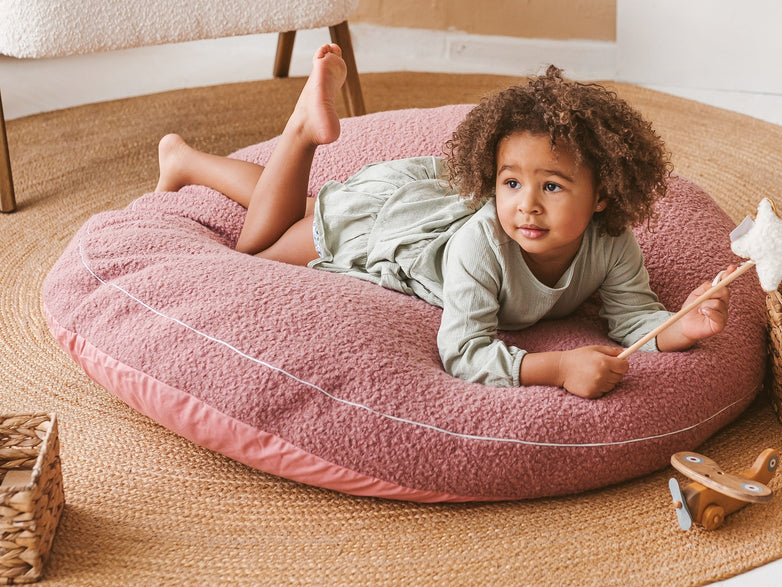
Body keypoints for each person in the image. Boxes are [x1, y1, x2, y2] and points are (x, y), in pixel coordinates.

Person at [156, 43, 732, 398]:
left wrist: (683, 327)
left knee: (298, 210)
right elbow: (463, 350)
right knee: (257, 248)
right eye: (511, 183)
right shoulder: (484, 245)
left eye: (551, 187)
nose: (526, 205)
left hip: (428, 208)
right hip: (395, 227)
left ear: (603, 194)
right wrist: (552, 368)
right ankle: (303, 129)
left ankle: (181, 159)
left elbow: (632, 317)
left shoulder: (612, 241)